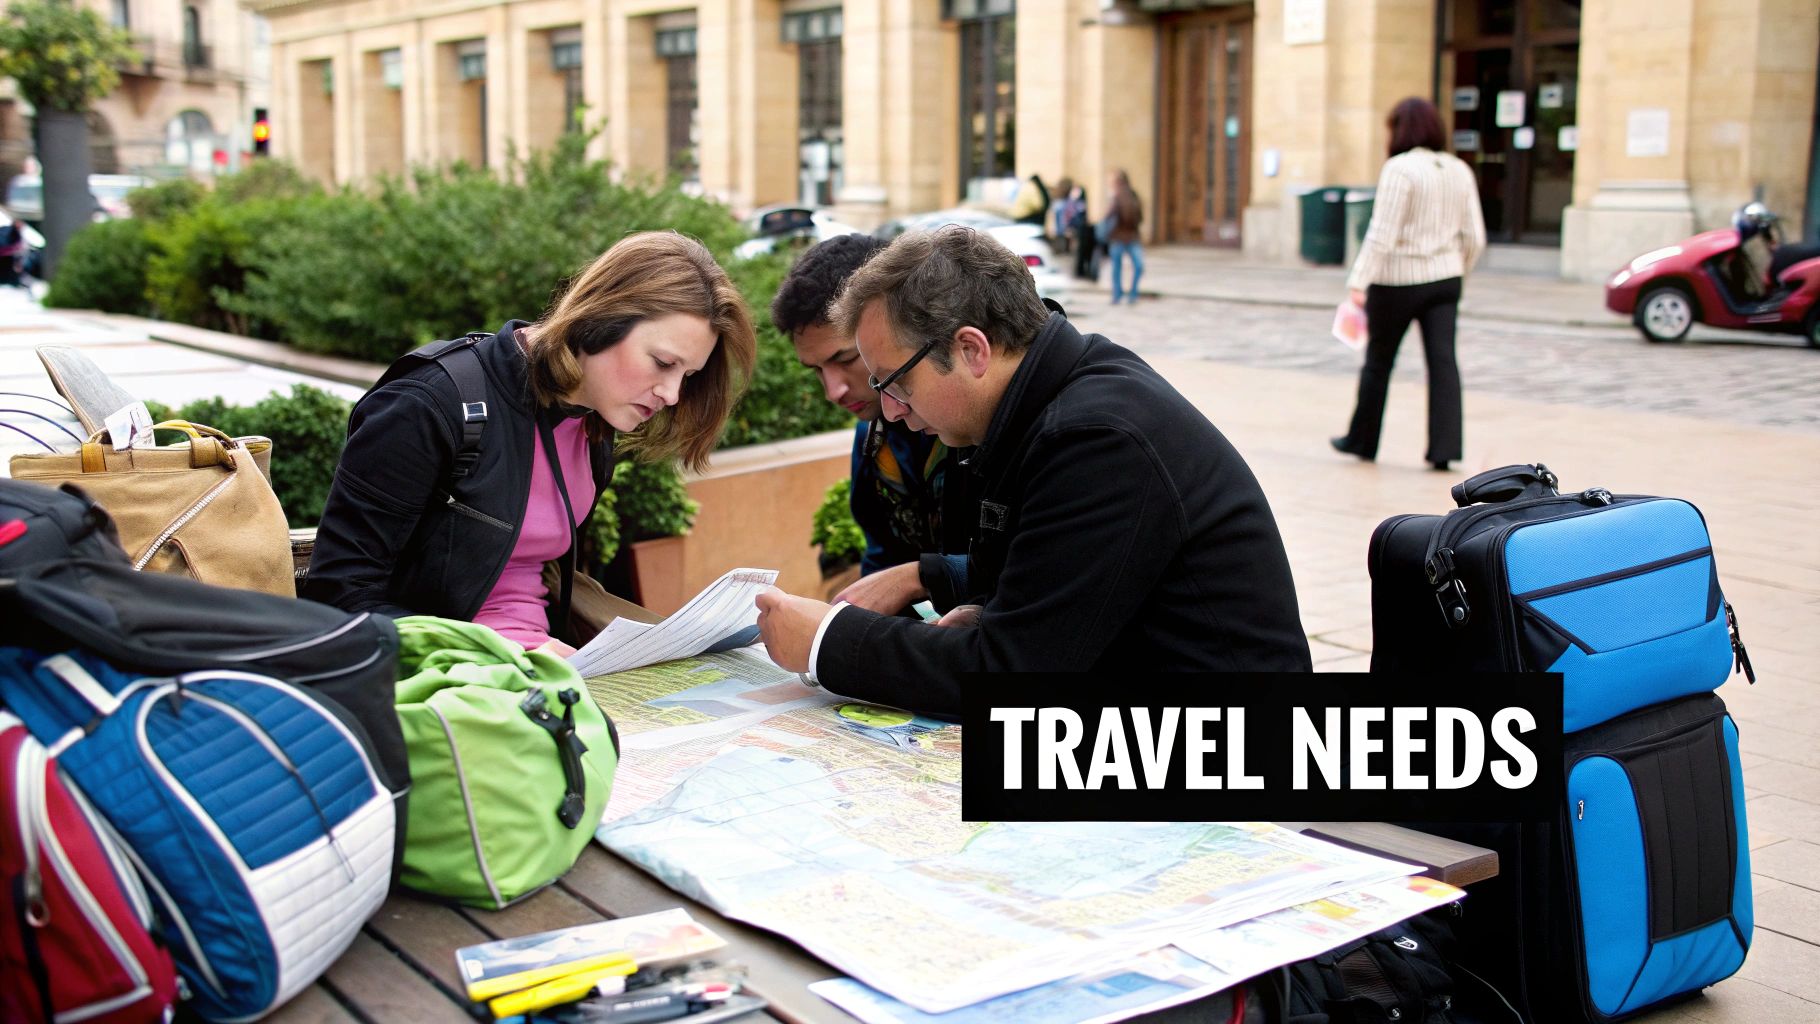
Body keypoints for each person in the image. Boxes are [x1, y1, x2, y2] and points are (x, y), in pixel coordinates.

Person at [753, 226, 1311, 716]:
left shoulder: (1096, 439)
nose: (892, 410)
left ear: (971, 350)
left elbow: (1012, 678)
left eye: (896, 383)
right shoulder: (1041, 405)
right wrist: (979, 603)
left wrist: (827, 640)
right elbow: (1048, 587)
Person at [305, 232, 757, 653]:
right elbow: (341, 594)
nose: (672, 394)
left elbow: (529, 578)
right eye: (662, 362)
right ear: (601, 320)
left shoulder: (594, 424)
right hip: (446, 681)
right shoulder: (427, 405)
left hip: (548, 671)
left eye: (688, 376)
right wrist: (492, 658)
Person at [769, 233, 961, 584]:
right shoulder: (873, 442)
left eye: (845, 358)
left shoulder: (983, 426)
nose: (832, 391)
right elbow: (882, 566)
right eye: (816, 370)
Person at [1331, 96, 1486, 472]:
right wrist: (1456, 268)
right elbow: (1476, 236)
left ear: (1399, 130)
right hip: (1446, 279)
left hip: (1397, 281)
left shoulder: (1399, 169)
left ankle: (1362, 440)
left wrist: (1359, 280)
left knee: (1379, 363)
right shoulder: (1458, 169)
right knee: (1443, 363)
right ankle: (1444, 450)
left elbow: (1382, 233)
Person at [1106, 170, 1144, 304]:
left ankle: (1127, 294)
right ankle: (1120, 294)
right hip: (1121, 237)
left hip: (1128, 237)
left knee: (1129, 266)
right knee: (1121, 266)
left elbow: (1109, 216)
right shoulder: (1124, 197)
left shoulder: (1124, 197)